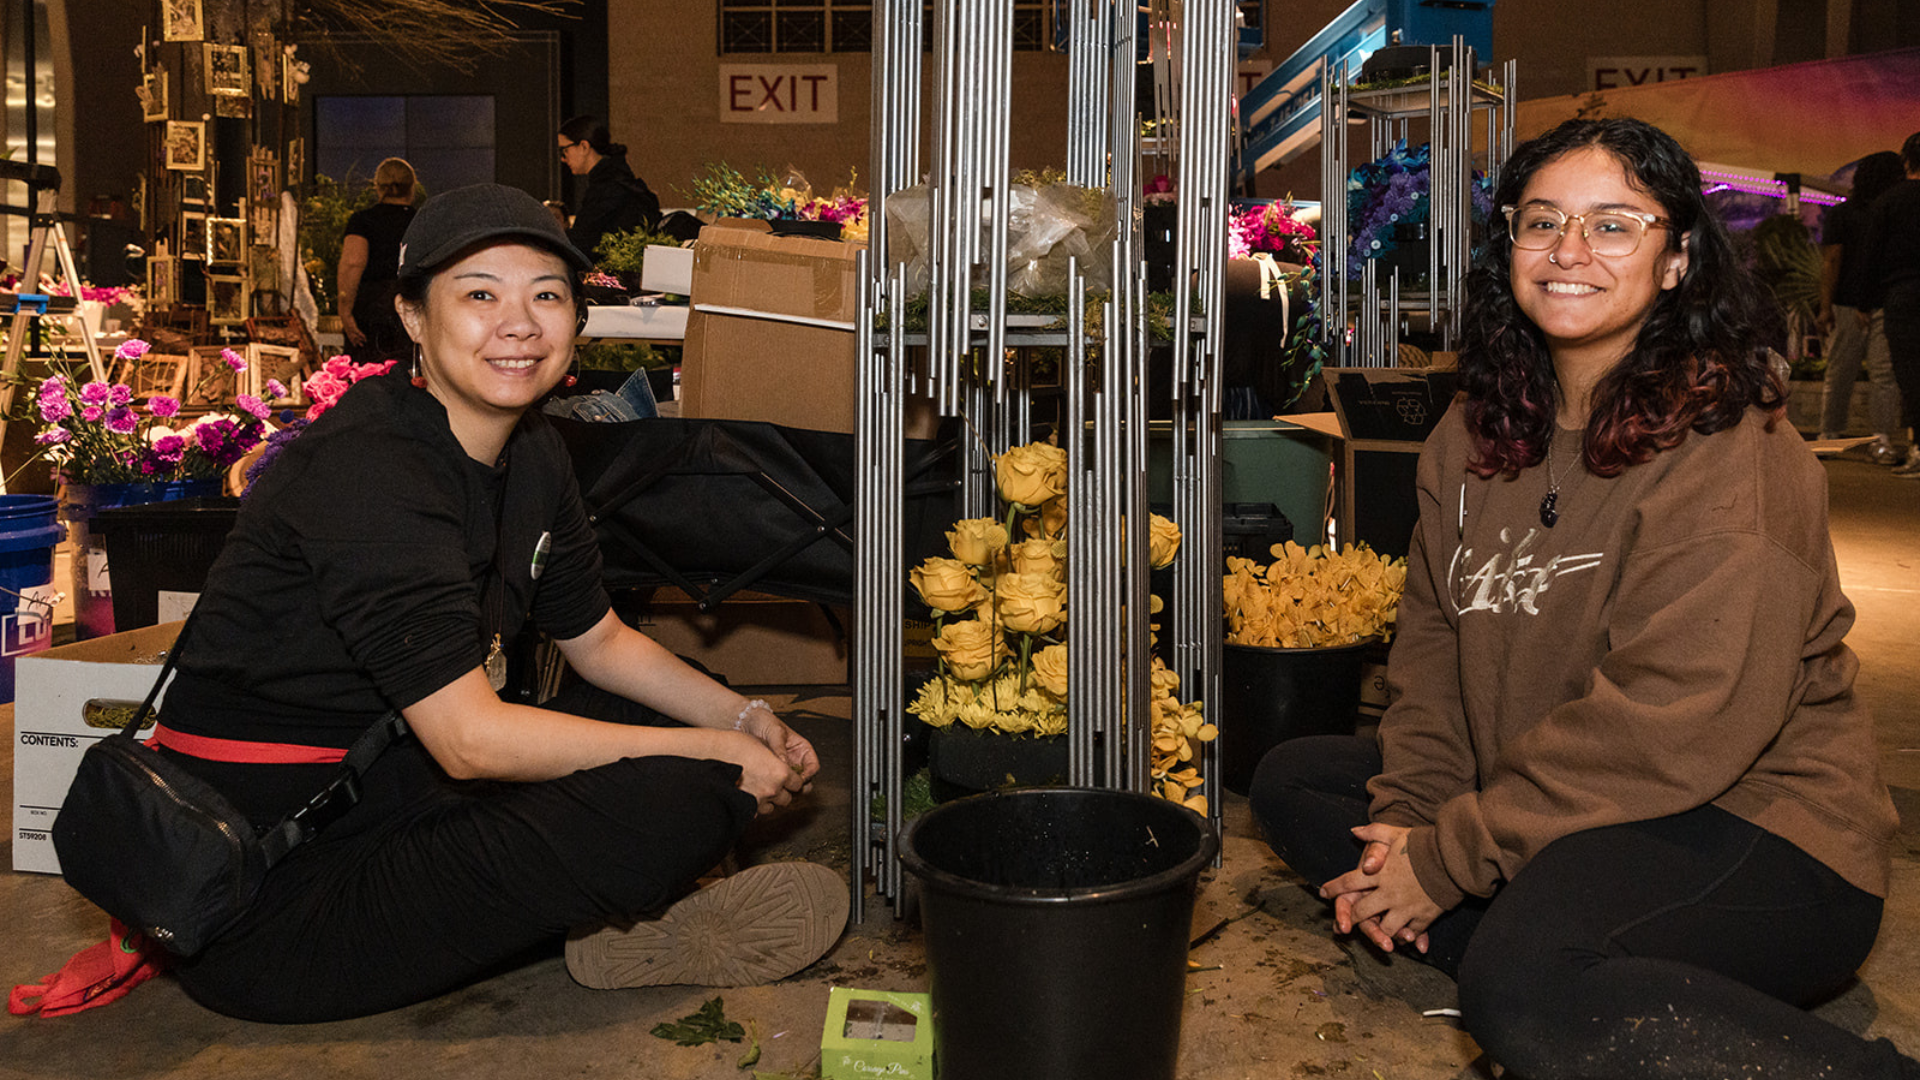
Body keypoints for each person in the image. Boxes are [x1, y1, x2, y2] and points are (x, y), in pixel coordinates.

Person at [1250, 118, 1915, 1078]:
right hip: (1562, 801)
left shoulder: (1732, 445)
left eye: (1614, 226)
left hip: (1758, 827)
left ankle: (1566, 974)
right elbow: (1429, 656)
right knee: (1300, 782)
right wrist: (1411, 817)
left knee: (1523, 987)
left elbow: (1674, 720)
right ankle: (1624, 981)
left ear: (1677, 259)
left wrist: (1446, 860)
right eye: (1542, 222)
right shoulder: (1470, 435)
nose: (1569, 252)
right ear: (1508, 247)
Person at [144, 184, 845, 1023]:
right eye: (480, 294)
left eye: (546, 295)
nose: (520, 324)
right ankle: (615, 900)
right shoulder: (370, 473)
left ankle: (613, 906)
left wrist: (743, 716)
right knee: (684, 791)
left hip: (396, 786)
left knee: (669, 724)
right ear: (411, 317)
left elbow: (600, 640)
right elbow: (472, 741)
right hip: (275, 894)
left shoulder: (535, 452)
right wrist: (712, 760)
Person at [1818, 150, 1905, 462]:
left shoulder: (1842, 214)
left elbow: (1831, 261)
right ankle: (1881, 439)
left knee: (1840, 370)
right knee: (1885, 375)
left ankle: (1829, 434)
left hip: (1846, 301)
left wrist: (1825, 305)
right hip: (1883, 301)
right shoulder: (1895, 212)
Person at [1867, 132, 1920, 477]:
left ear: (1906, 162)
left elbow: (1871, 257)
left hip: (1903, 293)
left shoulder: (1888, 202)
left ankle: (1918, 448)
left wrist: (1867, 303)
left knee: (1910, 373)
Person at [337, 158, 419, 366]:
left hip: (371, 310)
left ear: (377, 186)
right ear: (412, 187)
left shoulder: (363, 221)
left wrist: (345, 312)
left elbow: (353, 263)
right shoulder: (421, 220)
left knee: (367, 375)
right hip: (412, 304)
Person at [557, 115, 662, 262]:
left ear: (584, 147)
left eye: (564, 150)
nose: (563, 158)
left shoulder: (607, 186)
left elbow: (581, 241)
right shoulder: (617, 178)